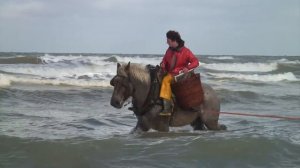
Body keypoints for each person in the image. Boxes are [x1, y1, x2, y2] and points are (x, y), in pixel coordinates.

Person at [159, 30, 199, 116]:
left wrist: (187, 67)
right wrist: (162, 64)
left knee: (166, 80)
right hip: (169, 73)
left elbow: (195, 62)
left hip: (179, 75)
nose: (166, 42)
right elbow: (165, 60)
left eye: (168, 41)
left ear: (174, 41)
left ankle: (167, 108)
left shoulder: (186, 51)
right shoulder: (169, 50)